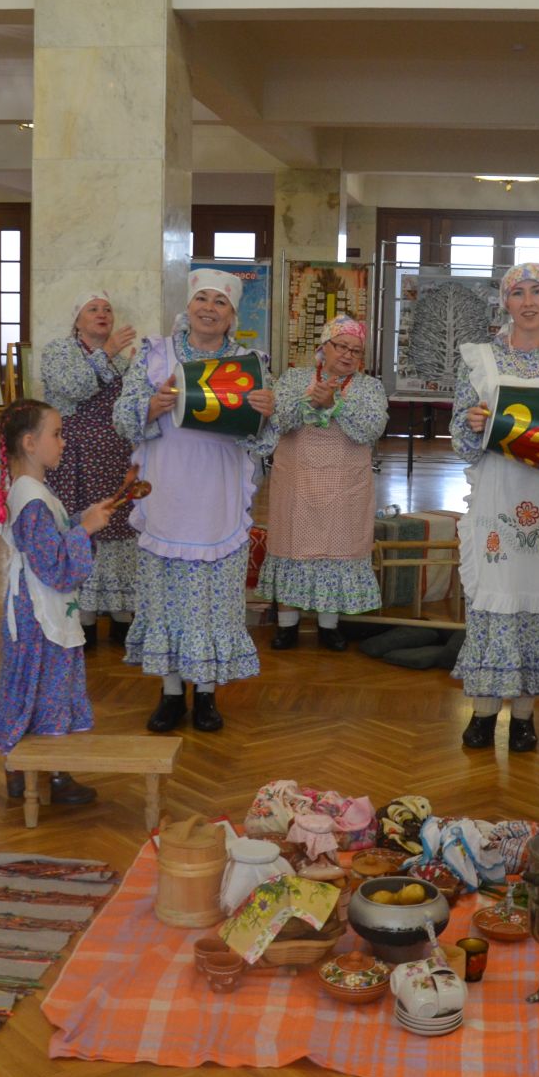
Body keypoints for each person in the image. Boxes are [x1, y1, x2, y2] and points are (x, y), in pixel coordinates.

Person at [115, 268, 278, 733]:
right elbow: (122, 417)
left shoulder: (251, 363)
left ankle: (206, 692)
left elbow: (265, 440)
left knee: (213, 600)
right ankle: (170, 692)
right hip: (167, 488)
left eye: (220, 303)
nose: (209, 308)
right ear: (188, 307)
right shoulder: (154, 355)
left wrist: (267, 417)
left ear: (232, 315)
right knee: (166, 599)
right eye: (201, 299)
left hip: (217, 494)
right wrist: (150, 407)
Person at [451, 262, 539, 753]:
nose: (528, 301)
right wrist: (471, 425)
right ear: (505, 302)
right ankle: (484, 712)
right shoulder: (478, 362)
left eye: (538, 291)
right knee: (495, 599)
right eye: (518, 293)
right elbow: (460, 442)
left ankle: (527, 716)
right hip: (496, 499)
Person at [0, 399, 118, 806]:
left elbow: (50, 540)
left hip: (33, 609)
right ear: (29, 442)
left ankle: (30, 770)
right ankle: (46, 773)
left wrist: (80, 520)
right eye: (56, 434)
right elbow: (56, 566)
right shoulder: (33, 499)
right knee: (43, 688)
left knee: (41, 688)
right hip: (38, 615)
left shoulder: (31, 492)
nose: (63, 442)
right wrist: (87, 530)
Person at [260, 317, 388, 651]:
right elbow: (277, 420)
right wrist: (310, 402)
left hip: (345, 487)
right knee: (292, 548)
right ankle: (287, 625)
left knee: (336, 549)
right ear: (323, 347)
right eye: (341, 346)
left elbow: (372, 429)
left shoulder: (369, 387)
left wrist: (335, 405)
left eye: (356, 351)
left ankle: (328, 626)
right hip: (297, 483)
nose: (347, 355)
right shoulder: (294, 379)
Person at [40, 291, 139, 650]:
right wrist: (108, 352)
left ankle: (121, 613)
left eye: (108, 309)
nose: (102, 314)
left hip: (114, 457)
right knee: (81, 529)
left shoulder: (125, 360)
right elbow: (71, 388)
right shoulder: (58, 351)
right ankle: (81, 616)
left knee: (117, 527)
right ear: (77, 320)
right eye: (93, 309)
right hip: (73, 458)